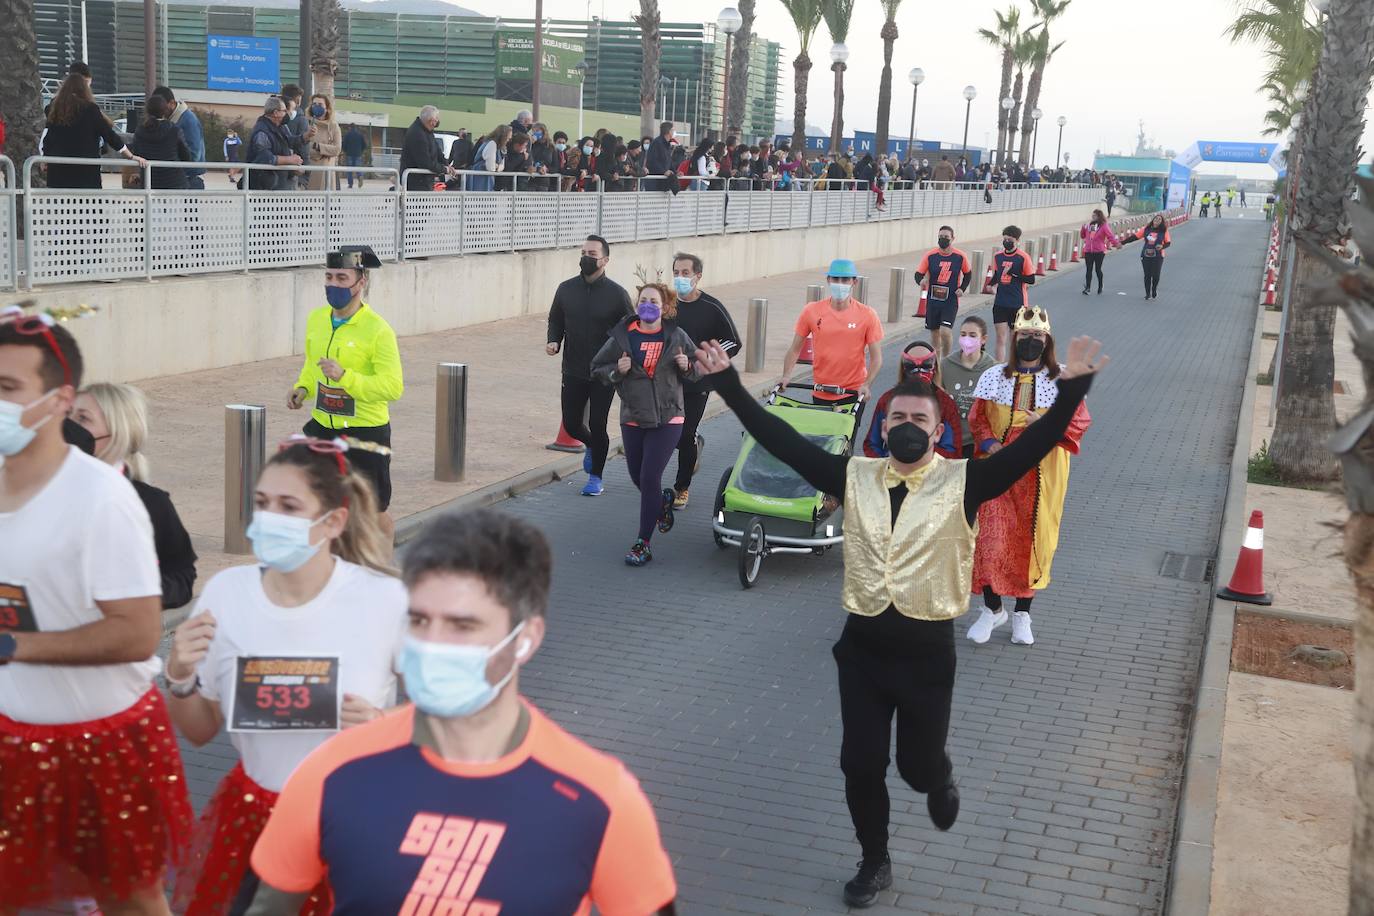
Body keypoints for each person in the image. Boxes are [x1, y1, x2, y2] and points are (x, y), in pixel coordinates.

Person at [692, 330, 1107, 908]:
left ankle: (937, 778)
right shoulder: (853, 476)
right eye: (897, 416)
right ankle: (875, 860)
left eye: (920, 416)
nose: (906, 423)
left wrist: (1068, 395)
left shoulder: (967, 482)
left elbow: (1030, 448)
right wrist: (729, 387)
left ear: (938, 431)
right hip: (861, 650)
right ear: (883, 427)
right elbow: (782, 441)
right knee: (859, 763)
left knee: (914, 768)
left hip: (927, 655)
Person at [240, 509, 679, 914]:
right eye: (419, 621)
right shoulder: (330, 773)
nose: (432, 644)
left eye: (462, 625)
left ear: (525, 639)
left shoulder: (601, 799)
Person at [0, 312, 193, 913]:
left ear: (59, 399)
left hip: (102, 745)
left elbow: (137, 635)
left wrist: (15, 647)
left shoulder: (102, 499)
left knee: (129, 899)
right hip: (10, 737)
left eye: (7, 388)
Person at [164, 436, 405, 915]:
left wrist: (386, 730)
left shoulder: (385, 600)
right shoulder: (226, 594)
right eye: (261, 503)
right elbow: (199, 730)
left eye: (288, 506)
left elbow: (451, 720)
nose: (269, 518)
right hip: (253, 818)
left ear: (333, 520)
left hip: (352, 824)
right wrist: (180, 675)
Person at [967, 306, 1092, 647]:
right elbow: (978, 419)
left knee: (1032, 542)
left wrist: (1046, 426)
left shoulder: (1062, 380)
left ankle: (1022, 613)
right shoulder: (993, 376)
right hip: (998, 472)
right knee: (989, 540)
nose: (1030, 340)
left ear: (1047, 340)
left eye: (1037, 335)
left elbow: (1079, 422)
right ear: (1015, 338)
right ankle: (992, 609)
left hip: (1041, 475)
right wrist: (990, 444)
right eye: (1025, 335)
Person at [288, 246, 403, 540]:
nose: (333, 285)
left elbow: (392, 387)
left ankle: (382, 574)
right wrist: (303, 387)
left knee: (372, 513)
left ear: (360, 282)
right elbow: (314, 365)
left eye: (342, 278)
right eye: (329, 277)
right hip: (323, 427)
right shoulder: (317, 319)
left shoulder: (378, 330)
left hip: (365, 433)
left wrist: (346, 377)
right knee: (318, 504)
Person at [591, 283, 699, 567]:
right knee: (638, 477)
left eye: (653, 301)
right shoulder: (622, 337)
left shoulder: (676, 336)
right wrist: (617, 371)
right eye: (643, 300)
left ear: (664, 307)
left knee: (650, 477)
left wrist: (687, 365)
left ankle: (643, 543)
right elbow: (597, 367)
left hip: (669, 416)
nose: (647, 305)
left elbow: (698, 369)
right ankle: (663, 503)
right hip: (634, 416)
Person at [71, 382, 198, 609]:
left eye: (82, 419)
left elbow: (182, 576)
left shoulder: (151, 504)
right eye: (66, 416)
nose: (67, 427)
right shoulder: (34, 491)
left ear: (117, 432)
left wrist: (137, 592)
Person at [546, 235, 634, 497]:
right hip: (572, 367)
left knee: (598, 423)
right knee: (572, 424)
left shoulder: (617, 295)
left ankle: (596, 476)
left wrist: (624, 357)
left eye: (592, 254)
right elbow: (555, 318)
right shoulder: (566, 289)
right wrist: (553, 340)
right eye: (583, 252)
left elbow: (630, 329)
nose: (586, 257)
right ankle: (593, 447)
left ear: (605, 260)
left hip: (604, 372)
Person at [667, 253, 740, 509]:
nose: (680, 278)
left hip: (697, 382)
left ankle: (681, 488)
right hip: (666, 382)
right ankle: (694, 446)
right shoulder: (666, 305)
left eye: (686, 273)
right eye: (676, 272)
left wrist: (703, 360)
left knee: (685, 434)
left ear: (698, 276)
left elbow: (733, 342)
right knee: (666, 432)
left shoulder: (712, 307)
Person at [778, 258, 884, 407]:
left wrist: (867, 384)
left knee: (846, 431)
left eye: (845, 280)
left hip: (853, 392)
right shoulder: (811, 311)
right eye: (836, 279)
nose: (840, 283)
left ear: (854, 282)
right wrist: (786, 375)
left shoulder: (867, 315)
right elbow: (795, 349)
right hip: (821, 390)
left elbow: (876, 358)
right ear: (828, 280)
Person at [41, 70, 145, 188]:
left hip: (58, 174)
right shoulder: (91, 109)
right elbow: (109, 135)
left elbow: (48, 139)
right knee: (88, 205)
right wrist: (130, 156)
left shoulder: (55, 110)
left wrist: (45, 158)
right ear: (84, 89)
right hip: (86, 173)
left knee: (60, 205)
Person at [864, 340, 961, 459]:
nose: (918, 371)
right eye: (911, 365)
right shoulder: (887, 400)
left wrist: (918, 454)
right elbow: (872, 445)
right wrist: (887, 465)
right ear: (904, 368)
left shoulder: (946, 403)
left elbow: (952, 450)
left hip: (932, 473)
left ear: (934, 367)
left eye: (926, 365)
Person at [939, 316, 997, 459]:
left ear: (983, 339)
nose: (967, 339)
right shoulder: (945, 365)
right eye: (963, 334)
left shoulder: (993, 369)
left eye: (972, 335)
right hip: (950, 442)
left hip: (978, 444)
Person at [912, 225, 972, 358]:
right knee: (934, 333)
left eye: (946, 237)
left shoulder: (960, 256)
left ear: (952, 238)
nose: (943, 239)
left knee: (945, 331)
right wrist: (921, 281)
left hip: (950, 299)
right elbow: (918, 274)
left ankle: (946, 358)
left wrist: (962, 288)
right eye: (940, 237)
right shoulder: (930, 255)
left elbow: (968, 274)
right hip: (933, 300)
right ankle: (936, 362)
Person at [990, 225, 1035, 363]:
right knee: (1000, 338)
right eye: (1004, 239)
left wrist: (1013, 274)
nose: (1006, 242)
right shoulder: (998, 256)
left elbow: (1031, 279)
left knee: (1014, 339)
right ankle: (999, 368)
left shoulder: (1023, 257)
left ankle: (1013, 367)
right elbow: (997, 274)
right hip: (1000, 302)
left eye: (1010, 240)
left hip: (1018, 303)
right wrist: (991, 285)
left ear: (1017, 240)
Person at [131, 92, 192, 189]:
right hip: (175, 183)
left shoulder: (140, 131)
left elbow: (137, 154)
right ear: (165, 110)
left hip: (150, 183)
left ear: (147, 111)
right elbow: (186, 157)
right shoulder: (174, 130)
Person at [149, 86, 206, 189]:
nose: (161, 112)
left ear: (171, 103)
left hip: (189, 180)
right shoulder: (169, 120)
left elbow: (194, 155)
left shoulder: (188, 121)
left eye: (163, 108)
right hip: (176, 178)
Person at [248, 97, 301, 190]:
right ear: (276, 113)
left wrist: (306, 136)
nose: (287, 113)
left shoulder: (281, 127)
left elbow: (290, 141)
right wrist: (290, 160)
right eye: (284, 111)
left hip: (279, 184)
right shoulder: (262, 132)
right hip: (263, 188)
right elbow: (266, 158)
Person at [1119, 212, 1173, 300]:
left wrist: (1162, 246)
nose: (1157, 220)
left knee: (1156, 275)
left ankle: (1154, 289)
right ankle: (1147, 293)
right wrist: (1122, 243)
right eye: (1156, 218)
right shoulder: (1146, 229)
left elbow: (1168, 243)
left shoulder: (1164, 231)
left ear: (1161, 222)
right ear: (1153, 220)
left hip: (1158, 256)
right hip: (1146, 255)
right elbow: (1134, 237)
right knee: (1147, 275)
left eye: (1159, 219)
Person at [401, 105, 447, 191]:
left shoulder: (427, 131)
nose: (437, 122)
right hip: (416, 183)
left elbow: (437, 150)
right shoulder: (417, 134)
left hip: (423, 181)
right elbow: (425, 162)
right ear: (431, 121)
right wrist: (444, 169)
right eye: (436, 119)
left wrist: (446, 164)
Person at [1079, 208, 1121, 296]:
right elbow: (1083, 236)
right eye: (1092, 215)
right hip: (1088, 251)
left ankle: (1100, 285)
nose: (1092, 217)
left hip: (1099, 251)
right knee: (1089, 269)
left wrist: (1116, 244)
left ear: (1099, 217)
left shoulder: (1104, 226)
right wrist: (1083, 228)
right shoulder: (1089, 225)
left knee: (1098, 269)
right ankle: (1088, 288)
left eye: (1094, 216)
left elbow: (1110, 236)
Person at [304, 93, 341, 191]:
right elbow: (303, 146)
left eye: (320, 105)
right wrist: (325, 151)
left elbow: (337, 149)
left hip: (326, 170)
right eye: (314, 104)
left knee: (323, 201)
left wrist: (318, 146)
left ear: (327, 108)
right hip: (307, 169)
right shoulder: (305, 122)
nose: (316, 107)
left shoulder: (333, 126)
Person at [470, 124, 512, 192]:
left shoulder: (497, 146)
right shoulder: (492, 144)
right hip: (481, 177)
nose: (508, 140)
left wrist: (496, 166)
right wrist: (497, 166)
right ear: (503, 136)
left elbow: (501, 166)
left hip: (484, 176)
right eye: (508, 138)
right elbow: (491, 168)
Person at [645, 120, 677, 192]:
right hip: (654, 182)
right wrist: (663, 171)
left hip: (663, 182)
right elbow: (652, 161)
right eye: (673, 130)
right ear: (669, 131)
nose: (674, 132)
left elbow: (669, 161)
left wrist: (676, 172)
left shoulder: (667, 144)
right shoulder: (657, 143)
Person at [341, 123, 369, 188]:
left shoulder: (347, 135)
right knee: (358, 168)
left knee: (349, 170)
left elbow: (344, 145)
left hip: (349, 154)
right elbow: (364, 145)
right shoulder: (360, 135)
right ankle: (360, 176)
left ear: (349, 128)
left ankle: (350, 184)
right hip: (358, 154)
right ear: (355, 128)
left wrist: (345, 151)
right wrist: (360, 151)